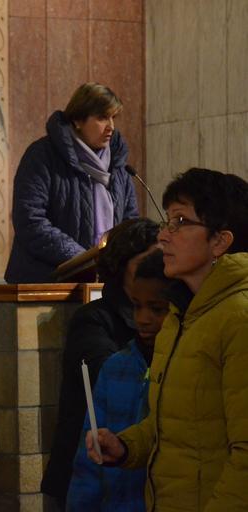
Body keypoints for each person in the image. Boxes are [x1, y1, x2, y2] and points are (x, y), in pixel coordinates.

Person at [87, 168, 248, 510]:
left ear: (220, 241)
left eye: (180, 222)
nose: (163, 236)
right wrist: (126, 446)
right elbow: (178, 425)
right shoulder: (180, 314)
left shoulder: (238, 318)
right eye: (166, 222)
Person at [41, 218, 159, 508]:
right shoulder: (93, 318)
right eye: (147, 261)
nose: (157, 269)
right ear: (122, 265)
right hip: (88, 469)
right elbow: (105, 377)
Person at [66, 250, 170, 511]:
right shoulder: (116, 367)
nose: (143, 319)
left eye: (157, 309)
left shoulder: (183, 368)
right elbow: (88, 463)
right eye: (136, 305)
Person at [5, 82, 139, 284]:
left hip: (105, 281)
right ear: (77, 120)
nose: (111, 126)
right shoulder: (42, 156)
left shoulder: (118, 165)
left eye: (114, 117)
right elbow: (30, 220)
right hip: (46, 281)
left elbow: (129, 223)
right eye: (102, 117)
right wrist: (83, 260)